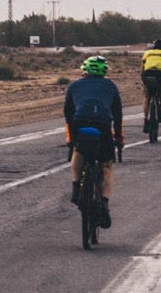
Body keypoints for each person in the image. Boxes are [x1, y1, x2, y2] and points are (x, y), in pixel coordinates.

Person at [64, 56, 123, 228]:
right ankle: (104, 202)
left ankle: (76, 187)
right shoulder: (111, 86)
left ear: (85, 71)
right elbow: (117, 115)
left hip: (79, 123)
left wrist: (71, 137)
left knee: (78, 151)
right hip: (103, 125)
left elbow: (68, 112)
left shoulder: (74, 86)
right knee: (106, 165)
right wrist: (118, 137)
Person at [140, 39, 161, 132]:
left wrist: (142, 78)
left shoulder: (147, 53)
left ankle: (145, 120)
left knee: (147, 97)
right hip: (160, 75)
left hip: (147, 74)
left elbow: (142, 68)